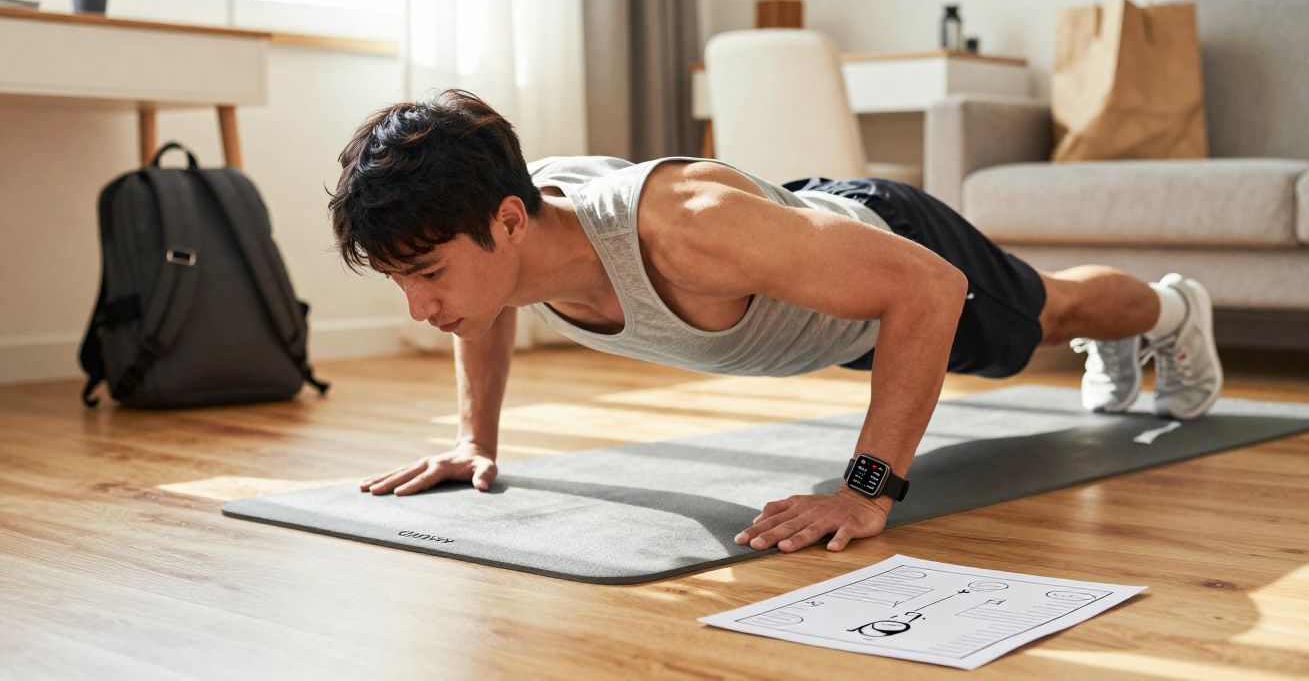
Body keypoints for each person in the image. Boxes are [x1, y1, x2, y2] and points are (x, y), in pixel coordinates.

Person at [328, 89, 1223, 555]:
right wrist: (475, 441)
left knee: (1048, 313)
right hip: (812, 277)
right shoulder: (508, 233)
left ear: (509, 222)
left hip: (897, 254)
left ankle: (1177, 310)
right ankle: (1134, 331)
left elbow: (931, 290)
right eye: (402, 280)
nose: (422, 307)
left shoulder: (685, 229)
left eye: (427, 275)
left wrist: (866, 490)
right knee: (1037, 315)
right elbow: (480, 307)